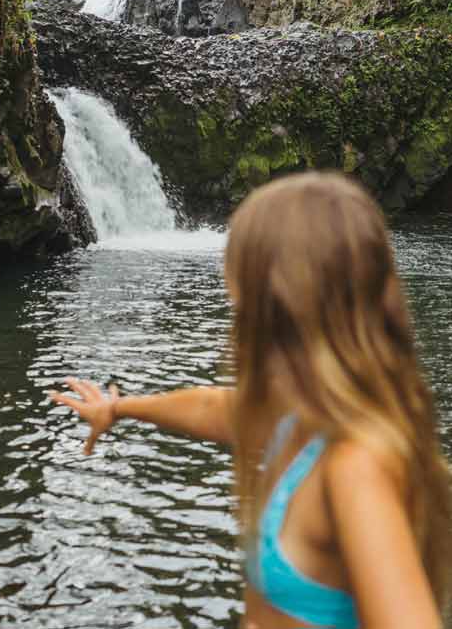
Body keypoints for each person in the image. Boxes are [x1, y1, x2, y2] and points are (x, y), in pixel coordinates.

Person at [50, 171, 452, 629]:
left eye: (239, 294)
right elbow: (214, 408)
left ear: (276, 304)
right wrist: (117, 409)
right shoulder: (299, 418)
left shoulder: (352, 464)